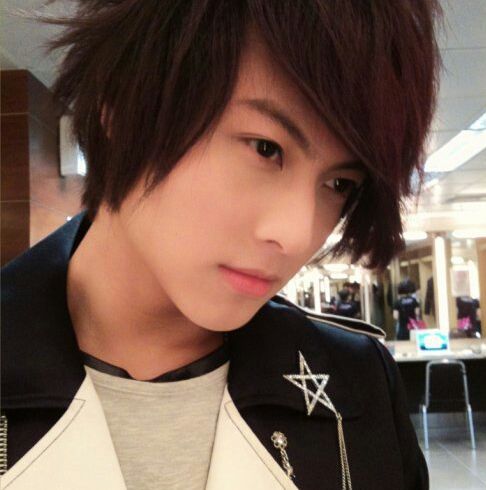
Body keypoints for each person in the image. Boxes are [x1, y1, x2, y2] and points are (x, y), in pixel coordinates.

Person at [1, 1, 441, 489]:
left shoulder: (358, 385)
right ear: (124, 110)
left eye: (339, 184)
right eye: (265, 148)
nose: (297, 234)